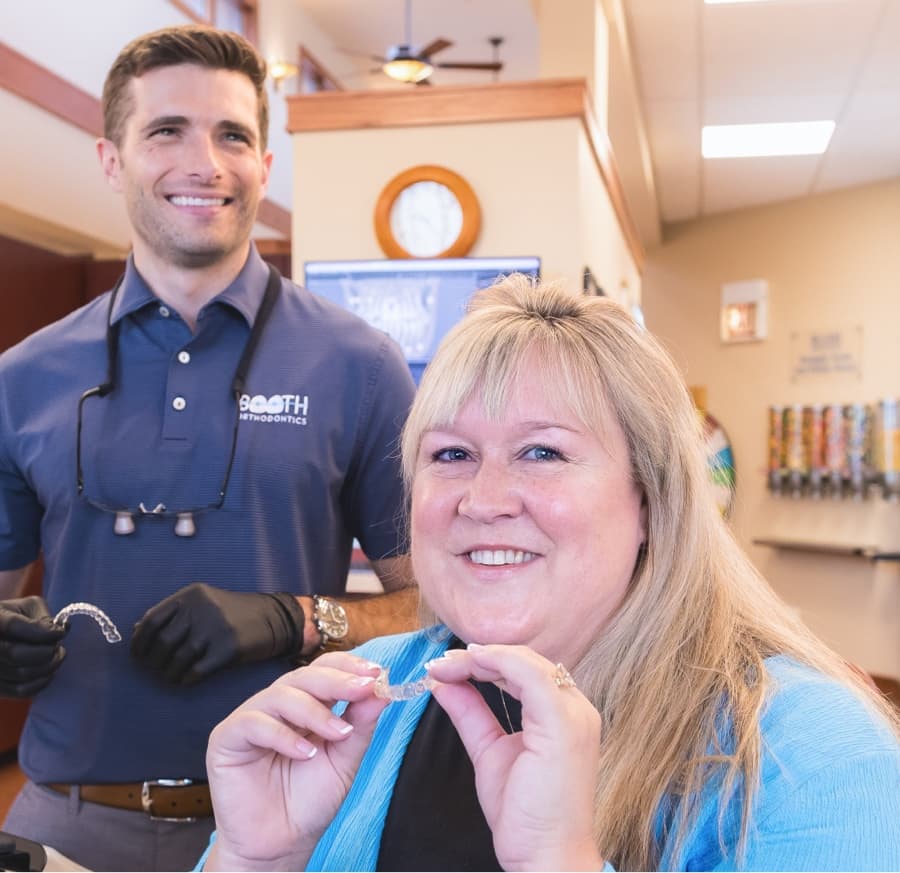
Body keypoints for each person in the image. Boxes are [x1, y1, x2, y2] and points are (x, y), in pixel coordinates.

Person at [199, 275, 900, 872]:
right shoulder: (361, 702)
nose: (484, 499)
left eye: (542, 452)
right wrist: (252, 859)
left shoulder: (811, 756)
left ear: (652, 500)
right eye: (450, 455)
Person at [0, 24, 417, 873]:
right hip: (65, 823)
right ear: (111, 160)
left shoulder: (360, 365)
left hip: (294, 820)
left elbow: (440, 607)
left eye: (234, 135)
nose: (206, 162)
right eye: (167, 131)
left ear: (266, 164)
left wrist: (293, 619)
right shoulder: (23, 376)